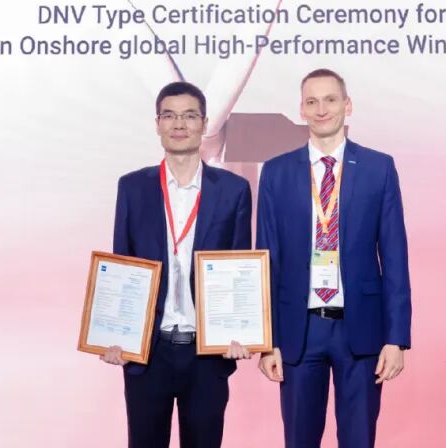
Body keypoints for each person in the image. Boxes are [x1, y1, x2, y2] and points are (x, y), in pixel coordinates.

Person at [256, 68, 412, 448]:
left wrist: (396, 338)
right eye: (311, 101)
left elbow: (394, 257)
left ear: (347, 105)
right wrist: (266, 341)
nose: (321, 109)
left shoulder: (379, 168)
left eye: (330, 99)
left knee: (358, 440)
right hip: (299, 329)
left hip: (361, 328)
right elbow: (267, 259)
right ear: (301, 110)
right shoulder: (276, 172)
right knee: (299, 440)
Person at [103, 81, 254, 448]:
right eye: (169, 116)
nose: (179, 124)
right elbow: (124, 263)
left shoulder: (233, 189)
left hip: (206, 354)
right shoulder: (132, 187)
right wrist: (117, 335)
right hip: (148, 353)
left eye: (189, 116)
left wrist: (241, 331)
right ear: (157, 124)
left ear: (204, 124)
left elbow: (239, 266)